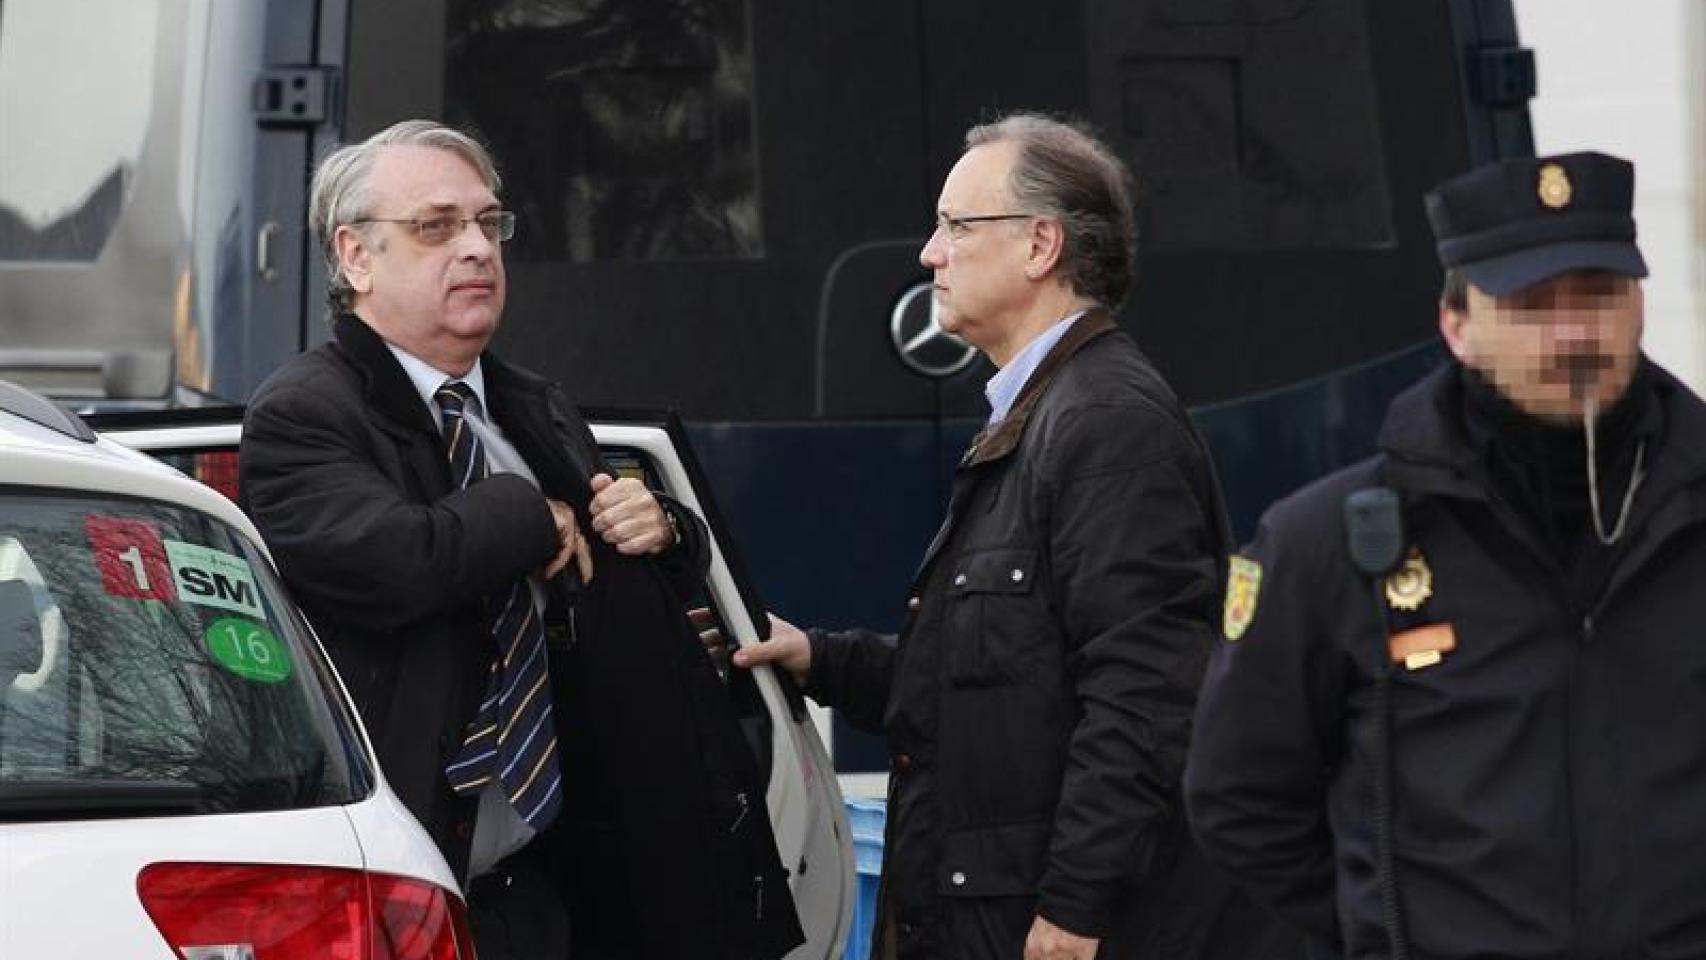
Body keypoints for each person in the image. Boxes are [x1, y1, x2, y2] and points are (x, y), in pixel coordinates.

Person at [239, 120, 801, 960]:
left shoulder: (533, 403)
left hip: (555, 885)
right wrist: (529, 512)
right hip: (408, 890)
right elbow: (400, 564)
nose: (475, 248)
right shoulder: (304, 412)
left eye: (488, 223)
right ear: (356, 257)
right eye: (436, 227)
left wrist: (664, 526)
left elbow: (625, 591)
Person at [736, 113, 1283, 960]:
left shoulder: (1107, 423)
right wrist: (822, 657)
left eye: (956, 225)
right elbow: (1000, 683)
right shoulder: (1048, 412)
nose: (929, 253)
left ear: (1040, 247)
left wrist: (1075, 913)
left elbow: (1143, 694)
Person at [1185, 151, 1706, 959]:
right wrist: (1386, 929)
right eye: (1531, 304)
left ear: (1638, 306)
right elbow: (1240, 797)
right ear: (1456, 326)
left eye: (1601, 297)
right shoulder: (1331, 545)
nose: (1573, 334)